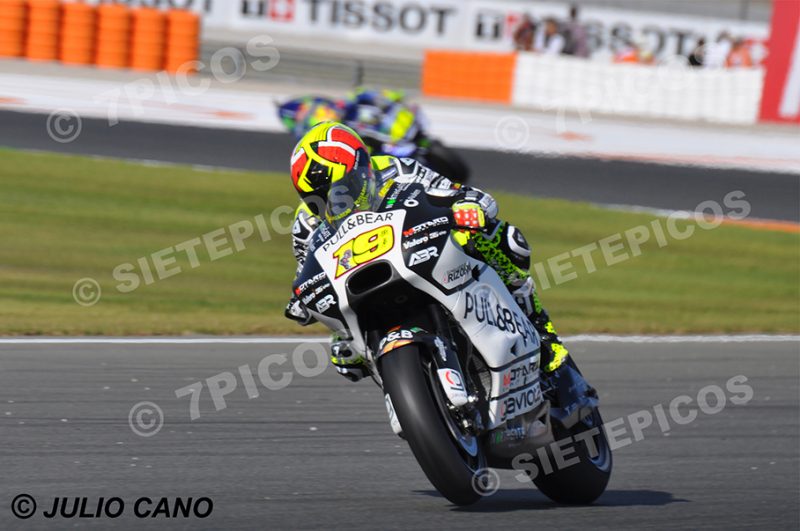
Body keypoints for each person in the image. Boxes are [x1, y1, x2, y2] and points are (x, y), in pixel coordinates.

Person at [284, 122, 569, 381]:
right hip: (361, 285)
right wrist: (300, 299)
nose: (332, 202)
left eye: (340, 188)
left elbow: (458, 193)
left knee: (503, 240)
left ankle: (543, 333)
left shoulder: (397, 170)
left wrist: (469, 206)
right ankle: (410, 389)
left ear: (361, 168)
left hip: (420, 251)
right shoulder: (306, 222)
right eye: (316, 200)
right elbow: (307, 270)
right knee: (345, 356)